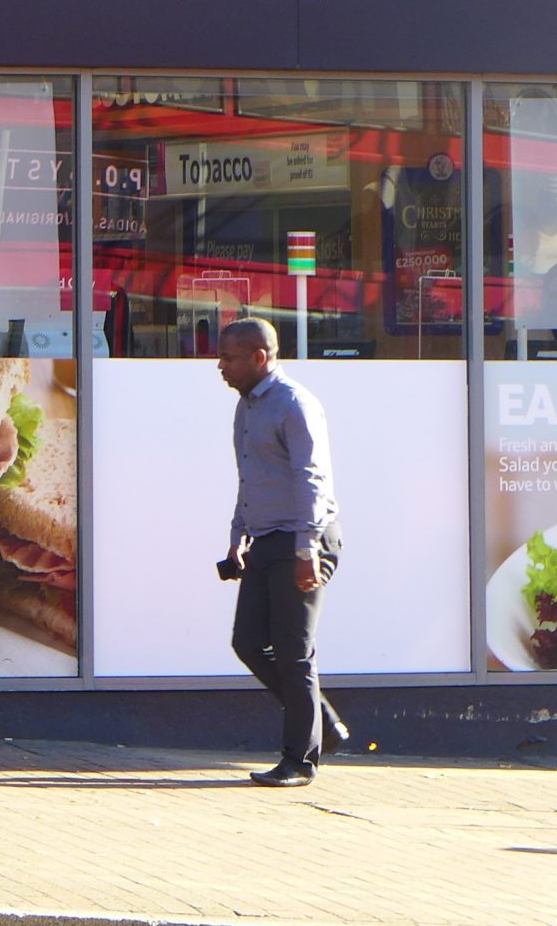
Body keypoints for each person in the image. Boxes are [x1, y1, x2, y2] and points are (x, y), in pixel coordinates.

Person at [218, 316, 349, 788]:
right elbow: (250, 477)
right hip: (267, 538)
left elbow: (310, 478)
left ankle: (301, 760)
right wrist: (238, 535)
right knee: (248, 642)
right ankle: (324, 724)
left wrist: (306, 548)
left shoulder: (294, 404)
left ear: (259, 357)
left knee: (294, 653)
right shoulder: (246, 407)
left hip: (304, 540)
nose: (220, 366)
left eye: (229, 357)